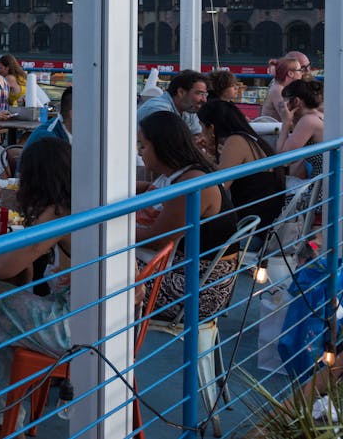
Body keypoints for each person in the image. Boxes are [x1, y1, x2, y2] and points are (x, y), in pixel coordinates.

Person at [0, 138, 74, 428]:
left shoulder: (59, 213)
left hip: (74, 329)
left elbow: (5, 268)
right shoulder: (80, 201)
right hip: (102, 316)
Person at [136, 111, 238, 321]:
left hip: (199, 289)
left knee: (99, 268)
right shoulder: (187, 174)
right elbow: (152, 190)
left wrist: (105, 233)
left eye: (143, 146)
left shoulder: (189, 185)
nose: (140, 152)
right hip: (195, 273)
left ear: (161, 146)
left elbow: (156, 240)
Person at [197, 99, 283, 232]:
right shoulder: (251, 139)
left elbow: (220, 187)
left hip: (250, 230)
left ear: (212, 128)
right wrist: (211, 155)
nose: (201, 132)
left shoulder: (236, 141)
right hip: (266, 223)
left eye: (202, 126)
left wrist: (199, 155)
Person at [277, 78, 325, 179]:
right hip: (328, 182)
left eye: (284, 102)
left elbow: (284, 160)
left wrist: (285, 122)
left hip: (323, 187)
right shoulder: (318, 115)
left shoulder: (308, 121)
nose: (282, 106)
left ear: (296, 101)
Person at [136, 68, 206, 136]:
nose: (204, 100)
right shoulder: (158, 110)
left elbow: (197, 138)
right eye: (200, 94)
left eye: (205, 95)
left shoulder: (188, 108)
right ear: (181, 92)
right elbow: (169, 145)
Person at [261, 56, 303, 123]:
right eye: (300, 70)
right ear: (290, 73)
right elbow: (286, 117)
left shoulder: (281, 87)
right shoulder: (278, 89)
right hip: (273, 130)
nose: (302, 73)